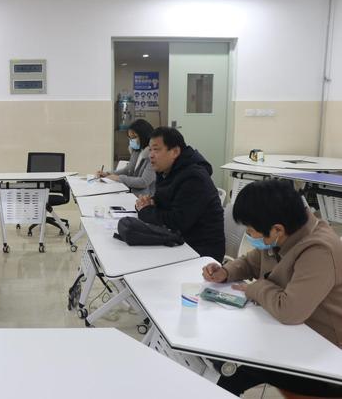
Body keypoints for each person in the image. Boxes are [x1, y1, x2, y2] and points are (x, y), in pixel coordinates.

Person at [202, 179, 342, 397]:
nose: (250, 236)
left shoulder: (319, 251)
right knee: (223, 352)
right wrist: (226, 272)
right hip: (287, 334)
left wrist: (256, 288)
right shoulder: (283, 234)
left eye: (251, 231)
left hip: (325, 355)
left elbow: (289, 310)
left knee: (233, 367)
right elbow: (253, 261)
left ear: (277, 229)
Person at [135, 127, 225, 261]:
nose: (151, 155)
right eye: (150, 150)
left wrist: (145, 210)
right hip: (179, 240)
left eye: (156, 150)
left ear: (175, 152)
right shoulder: (166, 170)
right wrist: (150, 202)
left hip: (200, 251)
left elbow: (177, 221)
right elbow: (164, 201)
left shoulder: (194, 178)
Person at [97, 119, 156, 195]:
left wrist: (119, 178)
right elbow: (128, 170)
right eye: (130, 138)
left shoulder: (153, 155)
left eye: (134, 137)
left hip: (146, 197)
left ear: (144, 136)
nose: (131, 140)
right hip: (133, 193)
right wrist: (108, 174)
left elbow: (144, 182)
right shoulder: (137, 151)